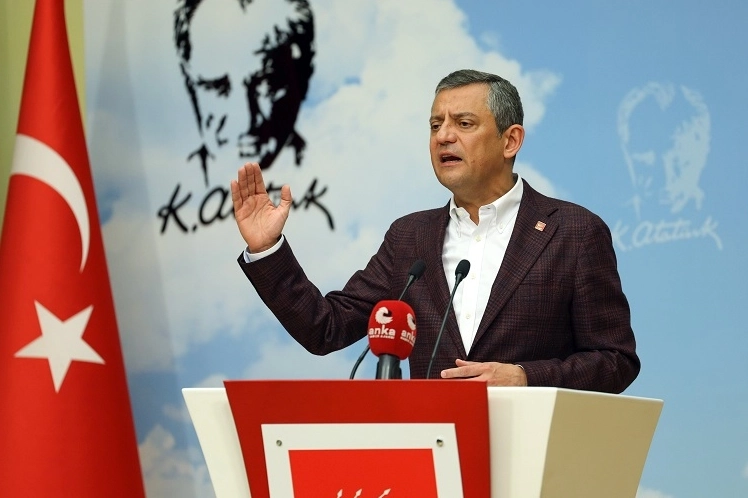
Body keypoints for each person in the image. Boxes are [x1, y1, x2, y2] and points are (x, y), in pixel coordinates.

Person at [231, 69, 640, 393]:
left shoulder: (573, 232)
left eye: (464, 123)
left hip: (534, 454)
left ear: (510, 141)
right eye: (435, 125)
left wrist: (525, 377)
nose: (444, 135)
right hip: (435, 451)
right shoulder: (410, 237)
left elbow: (615, 361)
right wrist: (267, 248)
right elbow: (327, 328)